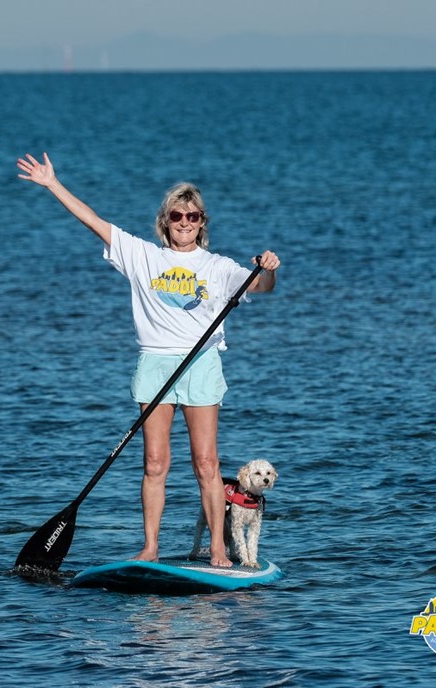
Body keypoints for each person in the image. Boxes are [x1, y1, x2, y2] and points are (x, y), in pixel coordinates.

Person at [16, 153, 278, 567]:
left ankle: (215, 548)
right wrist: (52, 184)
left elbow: (261, 286)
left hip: (201, 364)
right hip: (155, 364)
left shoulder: (218, 266)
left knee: (206, 463)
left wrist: (267, 269)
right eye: (178, 215)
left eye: (194, 216)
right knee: (155, 463)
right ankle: (151, 547)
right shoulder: (143, 256)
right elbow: (94, 221)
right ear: (166, 220)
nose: (186, 222)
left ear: (202, 222)